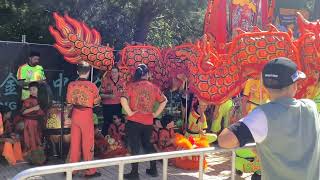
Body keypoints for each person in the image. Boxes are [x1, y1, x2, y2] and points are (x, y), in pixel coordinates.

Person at [218, 57, 320, 180]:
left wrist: (259, 146)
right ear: (295, 86)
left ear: (266, 88)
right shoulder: (311, 107)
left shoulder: (262, 115)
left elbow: (225, 140)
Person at [121, 64, 168, 179]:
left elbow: (123, 99)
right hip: (148, 122)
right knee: (148, 145)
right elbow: (164, 100)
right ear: (147, 74)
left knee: (135, 147)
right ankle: (153, 169)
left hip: (134, 121)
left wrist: (130, 113)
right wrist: (156, 114)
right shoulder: (153, 87)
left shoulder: (131, 86)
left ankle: (134, 173)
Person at [66, 62, 101, 178]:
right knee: (87, 142)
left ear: (77, 72)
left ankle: (72, 170)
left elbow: (69, 102)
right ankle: (90, 171)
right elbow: (96, 103)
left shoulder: (71, 85)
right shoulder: (92, 86)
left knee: (75, 142)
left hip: (75, 114)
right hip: (87, 115)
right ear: (89, 71)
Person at [21, 82, 44, 153]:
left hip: (40, 122)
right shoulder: (27, 100)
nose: (32, 91)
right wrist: (34, 108)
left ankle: (39, 155)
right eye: (30, 90)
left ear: (38, 89)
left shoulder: (42, 99)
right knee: (31, 140)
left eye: (34, 89)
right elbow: (23, 112)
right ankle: (32, 155)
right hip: (30, 122)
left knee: (39, 139)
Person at [100, 66, 123, 136]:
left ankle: (117, 140)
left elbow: (125, 93)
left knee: (118, 123)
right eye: (112, 72)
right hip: (107, 105)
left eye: (115, 72)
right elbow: (100, 94)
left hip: (118, 105)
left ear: (118, 73)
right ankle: (103, 141)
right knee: (107, 123)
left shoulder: (122, 82)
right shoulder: (105, 80)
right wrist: (109, 96)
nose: (114, 74)